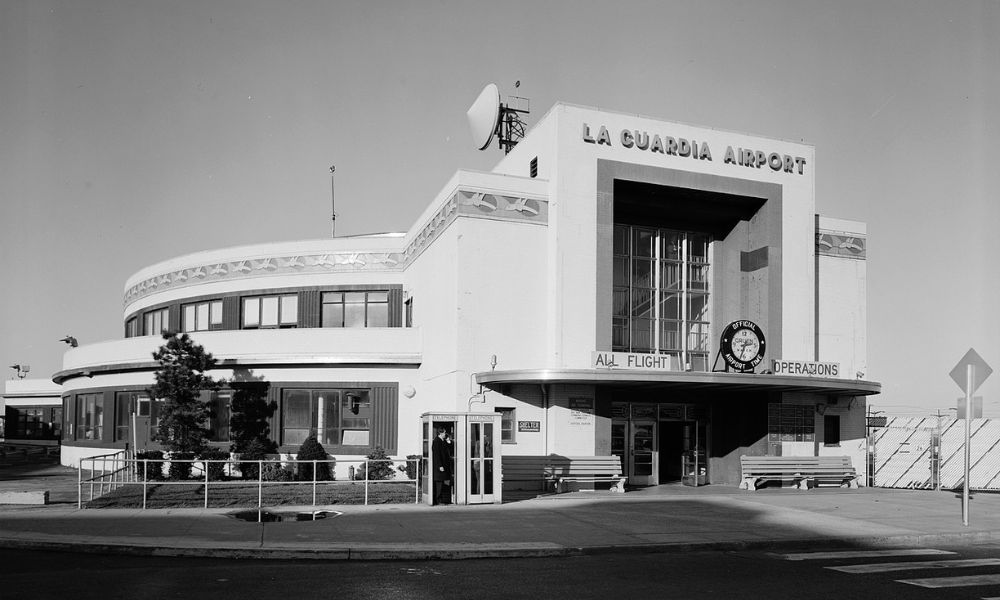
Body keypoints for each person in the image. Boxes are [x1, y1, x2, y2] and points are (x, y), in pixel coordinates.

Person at [431, 426, 452, 505]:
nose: (445, 434)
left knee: (443, 483)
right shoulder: (436, 441)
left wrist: (448, 441)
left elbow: (450, 448)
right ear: (441, 433)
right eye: (444, 433)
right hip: (439, 466)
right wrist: (440, 465)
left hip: (444, 465)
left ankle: (443, 499)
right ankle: (437, 500)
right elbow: (436, 455)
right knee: (439, 484)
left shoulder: (443, 441)